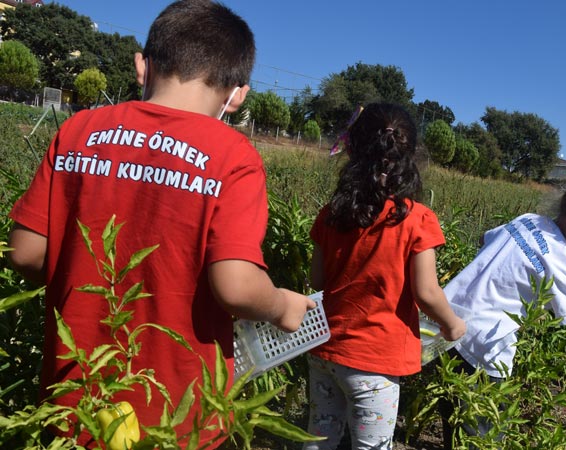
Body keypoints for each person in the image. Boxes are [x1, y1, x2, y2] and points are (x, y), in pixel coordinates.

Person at [7, 1, 314, 448]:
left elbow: (25, 252)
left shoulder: (78, 131)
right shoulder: (233, 157)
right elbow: (236, 286)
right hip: (178, 419)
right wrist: (282, 306)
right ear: (238, 95)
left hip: (75, 401)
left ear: (141, 66)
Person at [439, 166, 566, 448]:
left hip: (446, 323)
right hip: (484, 353)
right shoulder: (562, 263)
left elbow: (484, 239)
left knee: (455, 426)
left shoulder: (528, 220)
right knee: (482, 440)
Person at [302, 103, 467, 450]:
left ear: (354, 150)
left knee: (319, 438)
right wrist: (452, 325)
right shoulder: (417, 219)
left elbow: (317, 280)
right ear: (411, 155)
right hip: (373, 363)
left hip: (324, 349)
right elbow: (427, 292)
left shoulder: (331, 214)